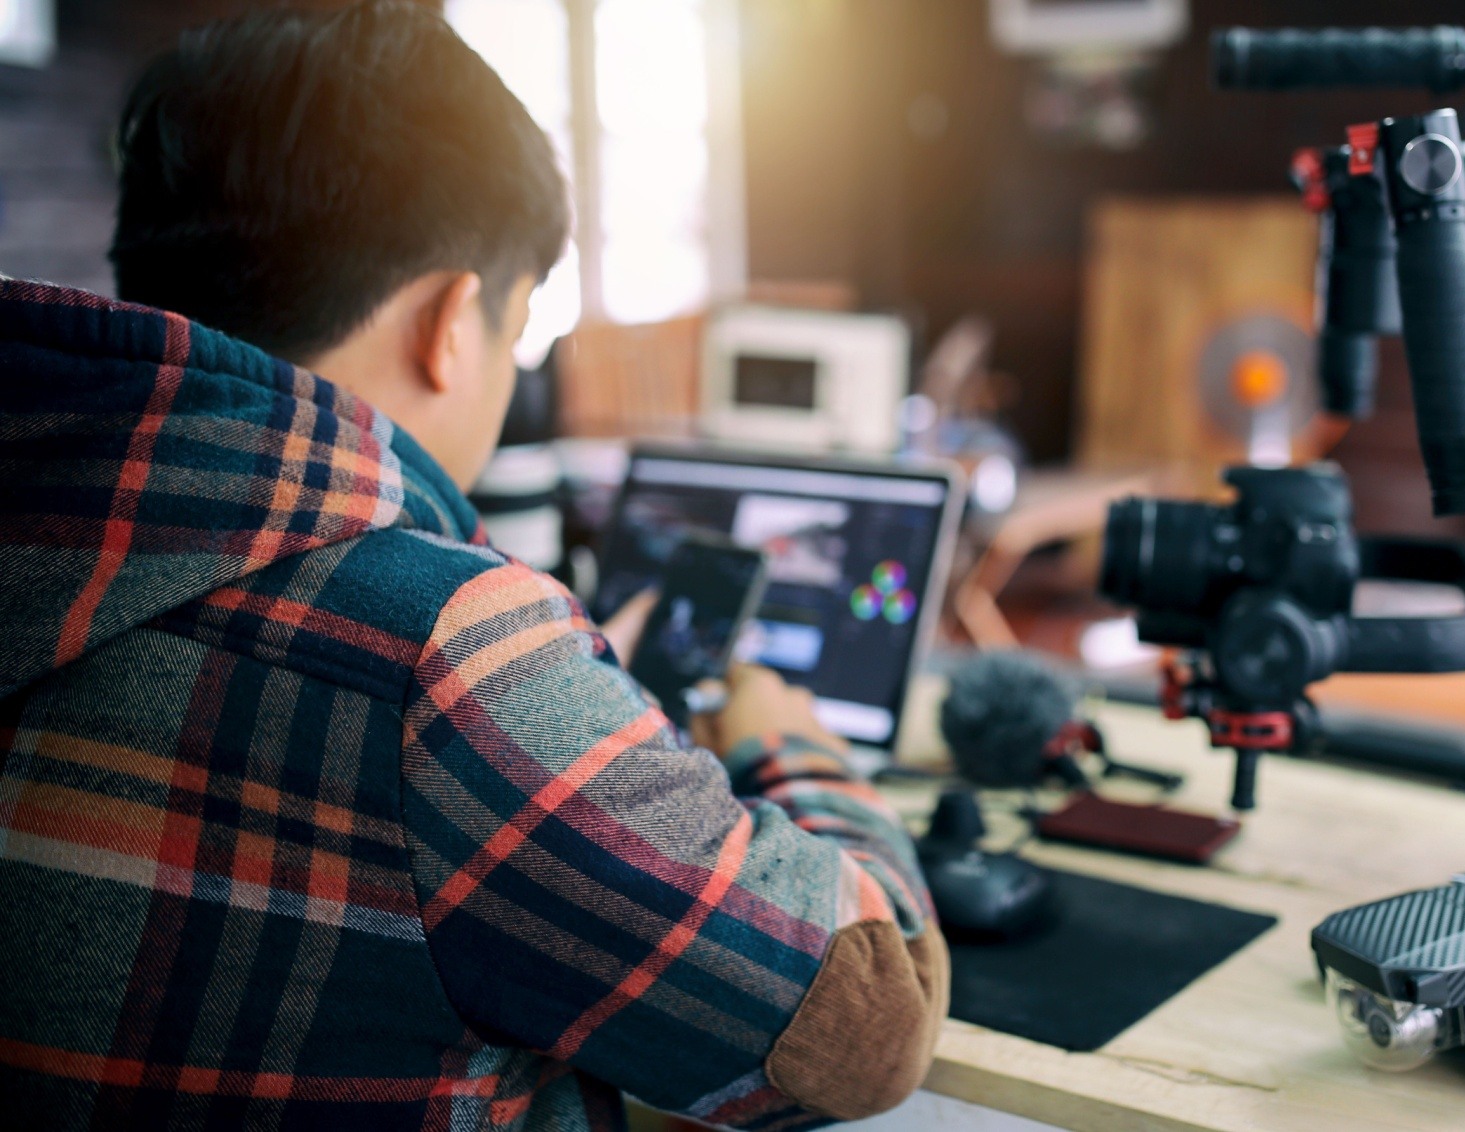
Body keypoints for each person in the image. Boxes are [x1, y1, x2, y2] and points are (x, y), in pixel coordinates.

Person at [0, 3, 945, 1129]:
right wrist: (792, 743)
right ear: (453, 322)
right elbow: (864, 1023)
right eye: (520, 326)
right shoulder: (444, 651)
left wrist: (584, 708)